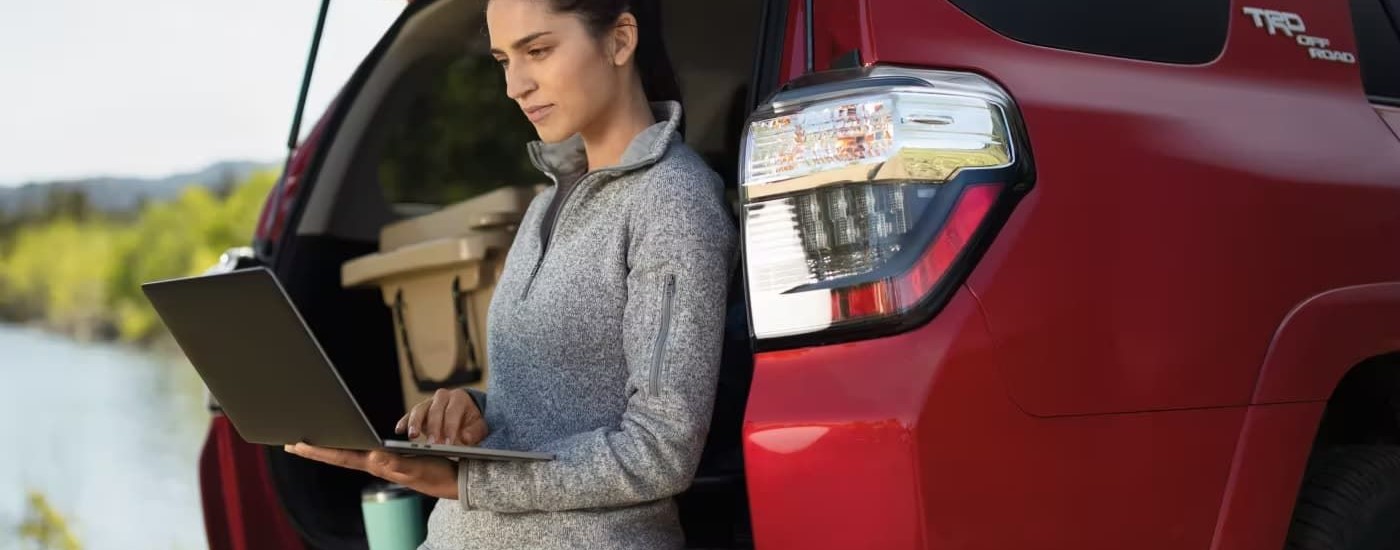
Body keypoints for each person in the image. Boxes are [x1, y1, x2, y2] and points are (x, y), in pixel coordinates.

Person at [283, 0, 737, 548]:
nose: (515, 86)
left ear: (620, 39)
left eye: (538, 51)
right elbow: (552, 405)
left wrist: (466, 480)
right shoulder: (545, 203)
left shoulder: (672, 201)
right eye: (503, 60)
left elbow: (660, 452)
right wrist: (476, 412)